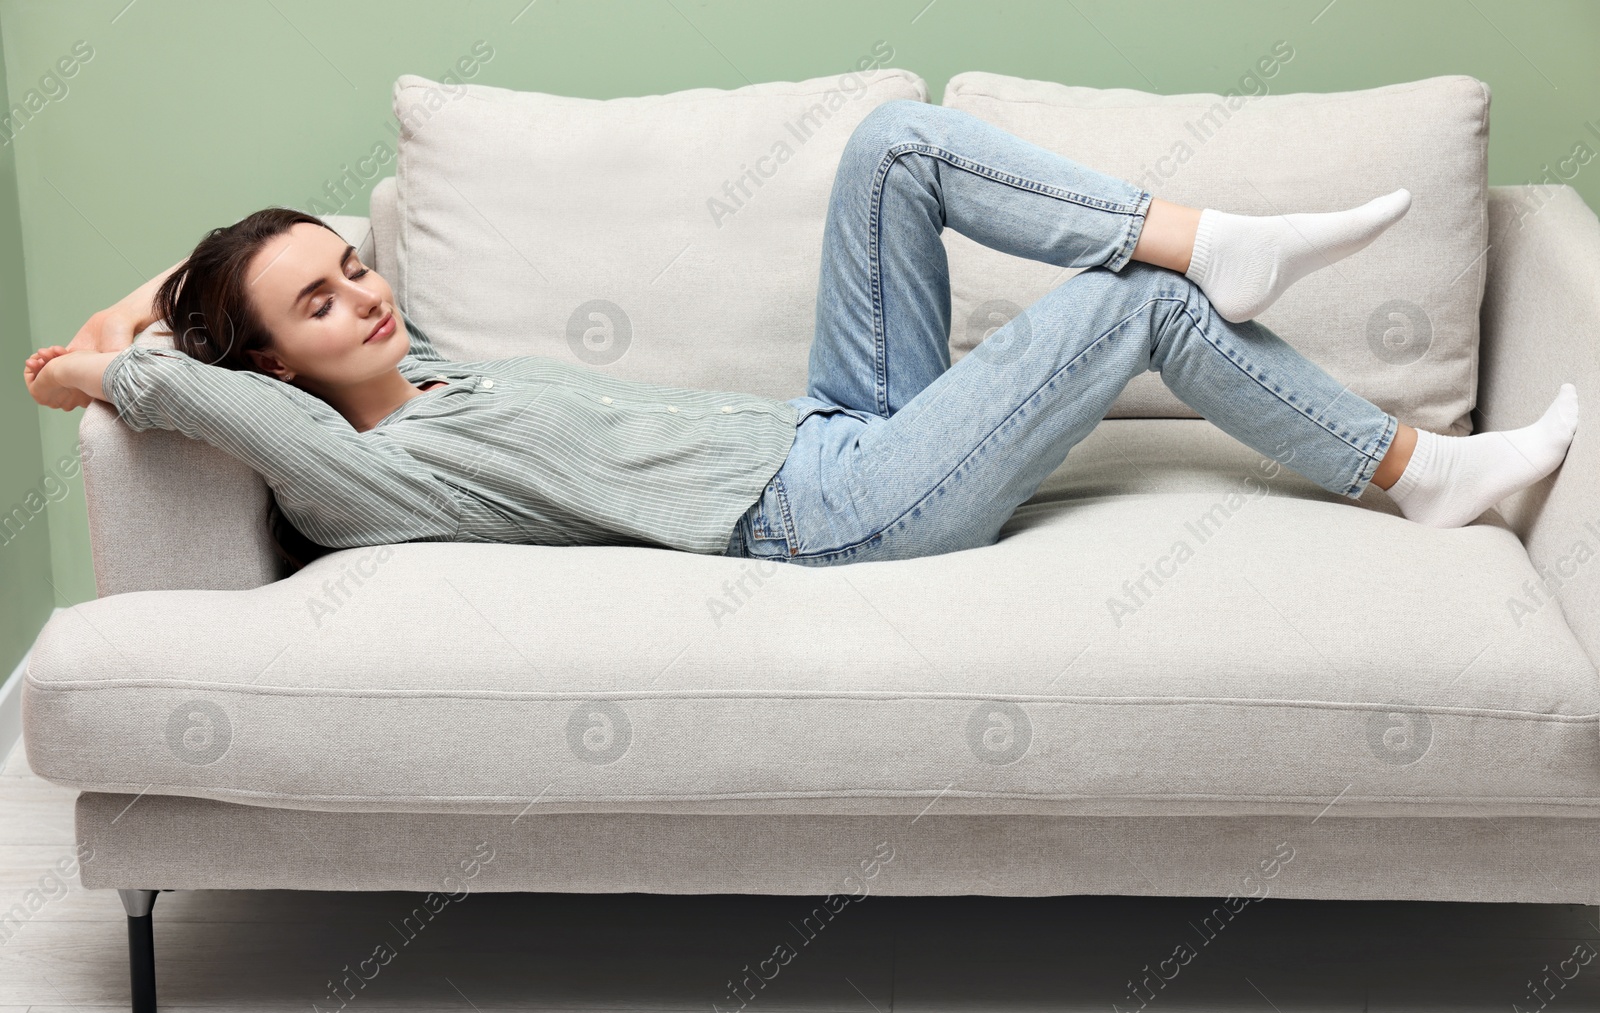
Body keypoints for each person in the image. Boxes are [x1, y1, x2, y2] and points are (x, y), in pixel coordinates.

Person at [24, 99, 1579, 567]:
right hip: (826, 515)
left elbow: (184, 332)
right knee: (1136, 315)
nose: (365, 293)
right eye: (319, 304)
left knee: (895, 144)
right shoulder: (358, 467)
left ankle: (1203, 233)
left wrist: (226, 287)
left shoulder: (424, 371)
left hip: (836, 424)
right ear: (274, 371)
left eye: (349, 268)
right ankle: (1413, 472)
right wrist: (156, 333)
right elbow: (102, 369)